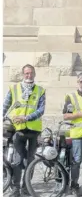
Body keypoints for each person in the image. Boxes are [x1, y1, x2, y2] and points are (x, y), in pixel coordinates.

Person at [3, 64, 46, 197]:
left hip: (34, 129)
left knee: (31, 160)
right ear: (23, 74)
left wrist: (26, 118)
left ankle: (26, 187)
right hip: (18, 129)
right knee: (17, 160)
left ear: (35, 74)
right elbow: (5, 106)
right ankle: (16, 188)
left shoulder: (40, 90)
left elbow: (41, 110)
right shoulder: (14, 88)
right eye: (26, 73)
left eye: (31, 73)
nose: (29, 75)